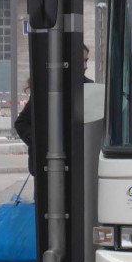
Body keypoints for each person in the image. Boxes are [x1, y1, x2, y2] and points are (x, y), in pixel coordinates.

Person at [13, 44, 93, 176]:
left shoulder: (89, 87)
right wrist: (41, 144)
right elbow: (21, 123)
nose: (86, 66)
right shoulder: (46, 88)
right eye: (82, 61)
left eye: (86, 61)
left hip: (77, 164)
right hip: (46, 167)